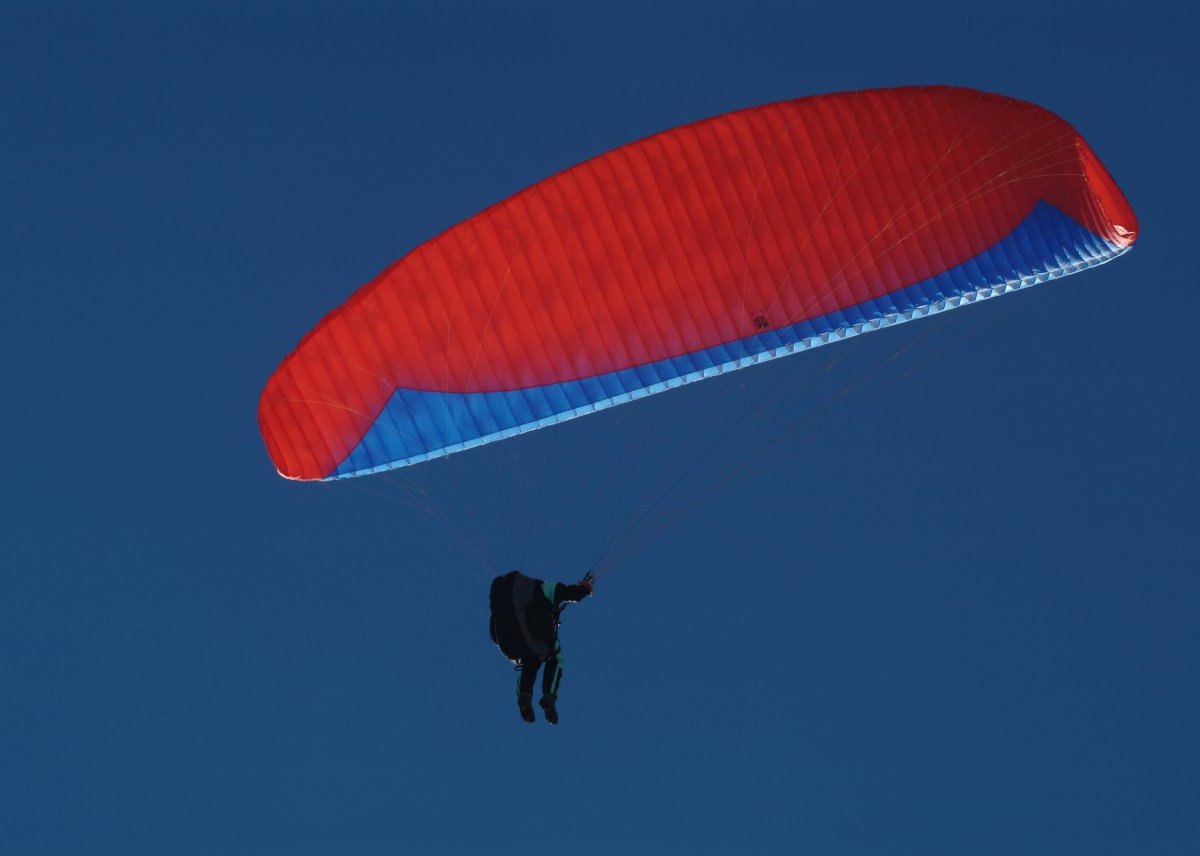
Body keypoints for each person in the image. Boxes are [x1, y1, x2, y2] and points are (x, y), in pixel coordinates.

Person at [489, 570, 594, 724]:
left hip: (507, 644)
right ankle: (549, 697)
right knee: (555, 657)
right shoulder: (543, 588)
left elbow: (493, 632)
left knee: (531, 661)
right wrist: (585, 589)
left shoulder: (505, 603)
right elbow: (572, 593)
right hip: (535, 638)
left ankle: (524, 695)